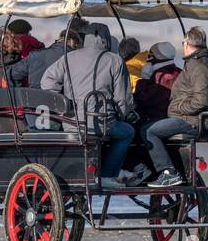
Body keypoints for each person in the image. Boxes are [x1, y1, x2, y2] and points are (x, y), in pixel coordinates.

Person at [40, 25, 138, 189]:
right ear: (106, 39)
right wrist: (124, 116)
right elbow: (123, 99)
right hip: (102, 123)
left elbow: (46, 81)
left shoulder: (68, 57)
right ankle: (108, 174)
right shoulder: (114, 60)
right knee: (127, 132)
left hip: (72, 122)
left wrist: (64, 101)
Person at [143, 28, 208, 188]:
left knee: (148, 131)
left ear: (188, 43)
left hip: (192, 121)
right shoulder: (195, 63)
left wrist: (178, 108)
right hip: (189, 118)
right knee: (146, 126)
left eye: (183, 42)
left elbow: (202, 100)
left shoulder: (200, 66)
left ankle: (168, 172)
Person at [8, 28, 80, 91]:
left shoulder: (36, 55)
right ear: (75, 44)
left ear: (59, 39)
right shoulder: (74, 59)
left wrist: (21, 96)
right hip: (61, 103)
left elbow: (11, 74)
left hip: (33, 102)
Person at [133, 42, 181, 123]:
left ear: (156, 56)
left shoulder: (162, 76)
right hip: (172, 116)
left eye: (151, 54)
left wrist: (144, 78)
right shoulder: (178, 72)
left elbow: (144, 100)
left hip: (158, 119)